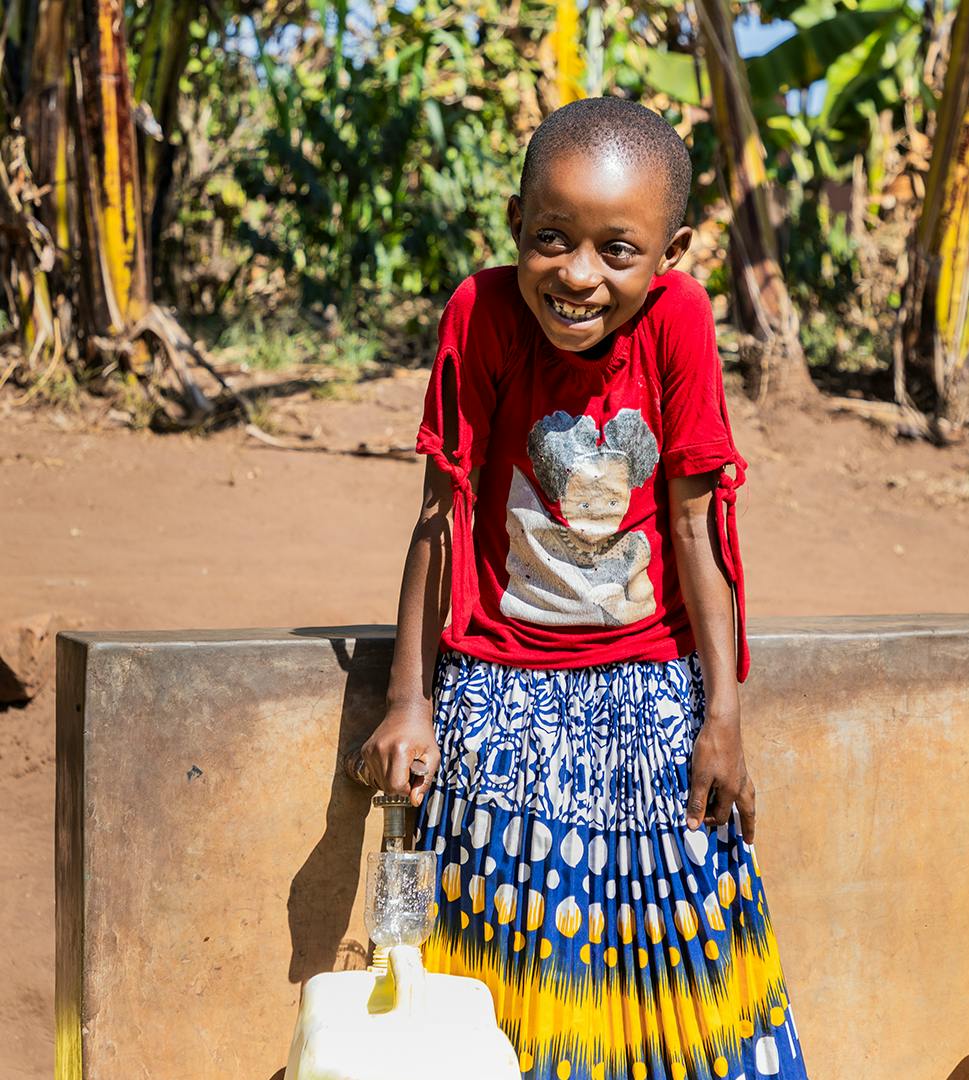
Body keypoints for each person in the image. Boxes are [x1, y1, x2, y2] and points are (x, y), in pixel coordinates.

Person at [360, 96, 809, 1080]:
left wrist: (722, 713)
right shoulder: (479, 316)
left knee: (690, 934)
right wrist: (408, 702)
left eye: (618, 251)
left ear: (672, 253)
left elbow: (696, 526)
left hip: (652, 683)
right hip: (499, 686)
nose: (577, 276)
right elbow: (438, 515)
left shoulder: (680, 325)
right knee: (516, 956)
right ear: (518, 223)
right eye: (552, 240)